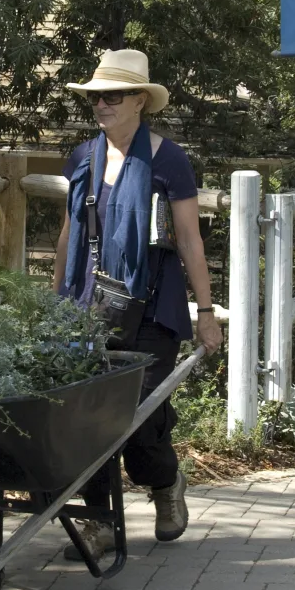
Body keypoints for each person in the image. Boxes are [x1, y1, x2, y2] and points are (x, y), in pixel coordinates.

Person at [53, 48, 223, 560]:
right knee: (87, 418)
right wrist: (55, 300)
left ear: (139, 101)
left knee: (139, 419)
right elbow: (69, 234)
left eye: (111, 96)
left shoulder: (167, 159)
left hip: (151, 307)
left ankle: (165, 483)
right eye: (95, 97)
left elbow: (191, 240)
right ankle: (101, 522)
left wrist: (207, 313)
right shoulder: (83, 158)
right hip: (88, 305)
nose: (100, 104)